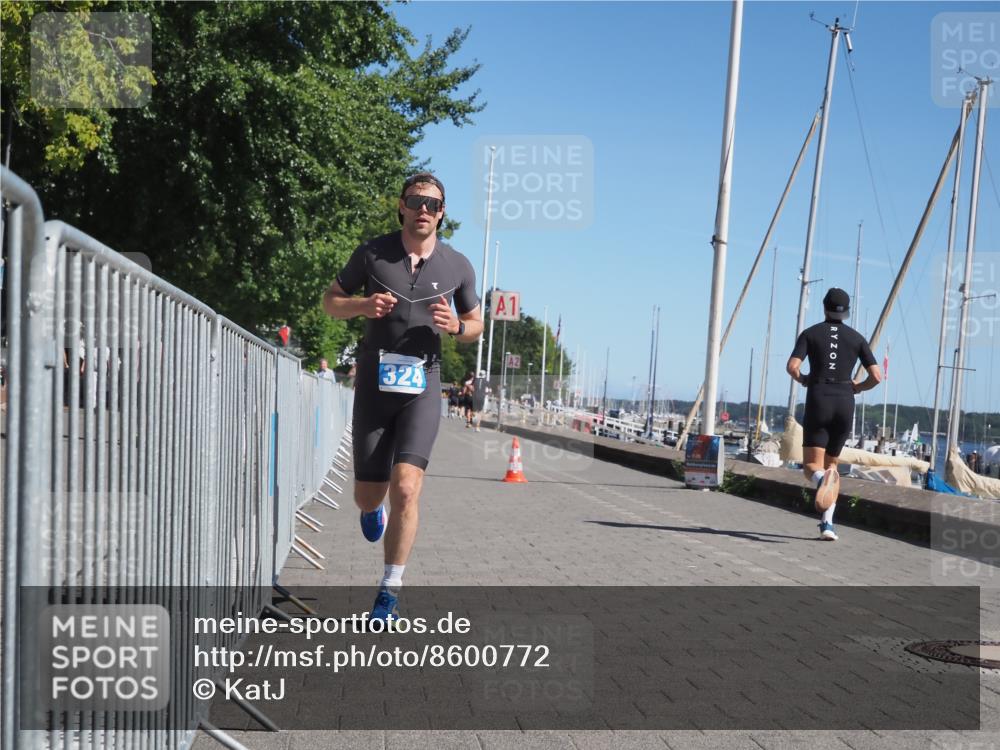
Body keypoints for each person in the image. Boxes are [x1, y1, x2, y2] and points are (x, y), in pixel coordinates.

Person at [322, 172, 483, 619]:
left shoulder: (458, 266)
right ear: (402, 206)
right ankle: (371, 511)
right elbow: (330, 300)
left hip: (422, 387)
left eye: (433, 204)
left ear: (443, 213)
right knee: (368, 497)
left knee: (407, 488)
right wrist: (361, 305)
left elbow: (476, 325)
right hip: (375, 388)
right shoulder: (372, 254)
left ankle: (388, 593)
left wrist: (457, 327)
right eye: (415, 201)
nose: (423, 210)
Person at [786, 288, 881, 541]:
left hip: (819, 398)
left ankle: (821, 481)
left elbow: (792, 367)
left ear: (824, 307)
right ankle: (827, 525)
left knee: (812, 467)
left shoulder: (810, 333)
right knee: (832, 467)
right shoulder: (857, 338)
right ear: (847, 311)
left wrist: (804, 379)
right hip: (845, 402)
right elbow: (876, 376)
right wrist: (858, 387)